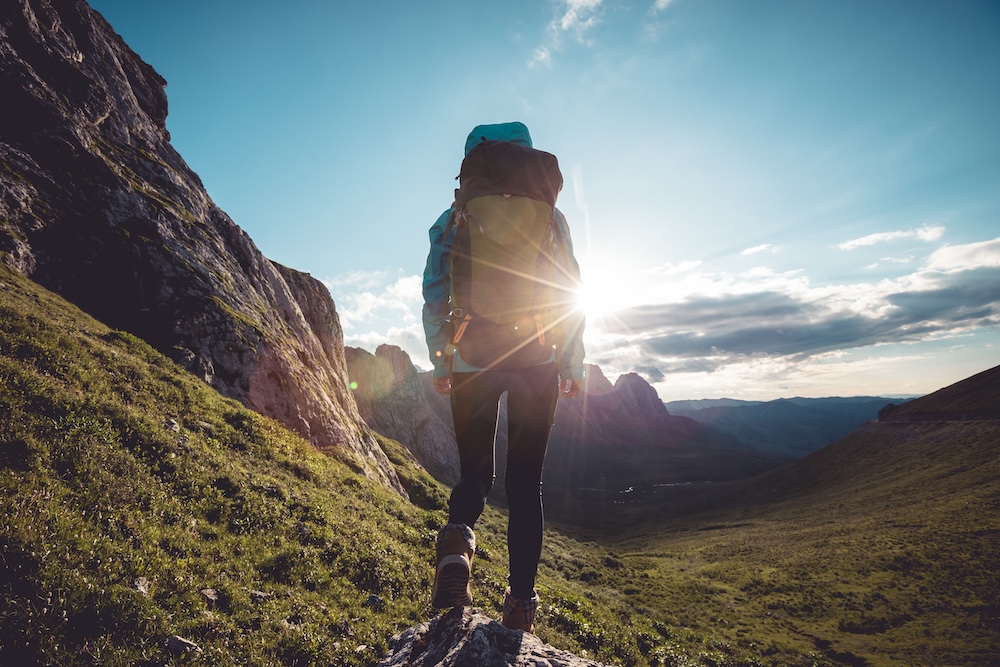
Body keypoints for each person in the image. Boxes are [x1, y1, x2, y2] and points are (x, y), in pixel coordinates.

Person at [421, 121, 585, 633]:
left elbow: (435, 292)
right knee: (525, 485)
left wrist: (442, 359)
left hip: (472, 354)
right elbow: (570, 290)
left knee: (475, 475)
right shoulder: (551, 219)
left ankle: (457, 548)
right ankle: (519, 605)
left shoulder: (454, 217)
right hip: (536, 357)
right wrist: (571, 362)